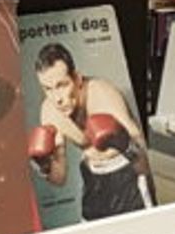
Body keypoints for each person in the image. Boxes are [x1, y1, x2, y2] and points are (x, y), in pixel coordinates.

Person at [28, 40, 151, 220]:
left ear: (77, 79)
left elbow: (143, 157)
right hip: (93, 179)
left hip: (128, 175)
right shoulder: (49, 112)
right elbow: (59, 178)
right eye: (48, 89)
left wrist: (125, 145)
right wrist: (43, 165)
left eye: (62, 85)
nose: (57, 98)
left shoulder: (101, 95)